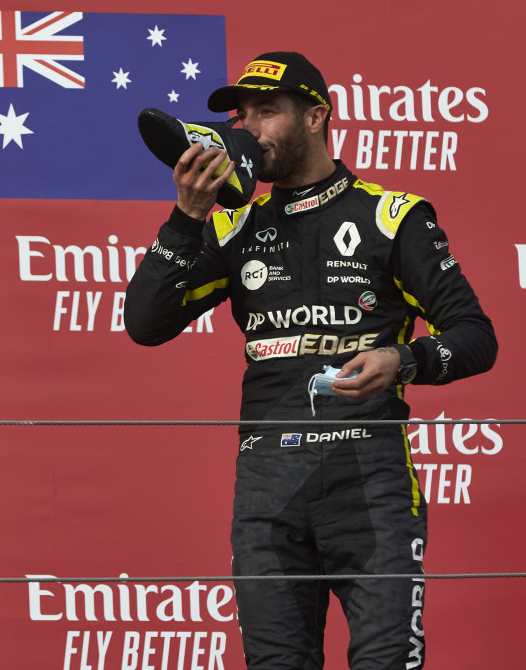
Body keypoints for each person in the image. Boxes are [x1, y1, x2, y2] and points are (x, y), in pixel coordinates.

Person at [124, 52, 497, 669]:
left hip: (368, 478)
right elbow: (144, 324)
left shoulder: (390, 215)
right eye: (243, 117)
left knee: (385, 662)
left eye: (267, 112)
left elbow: (476, 336)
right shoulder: (235, 226)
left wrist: (403, 358)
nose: (249, 129)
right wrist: (189, 216)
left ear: (317, 116)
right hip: (267, 486)